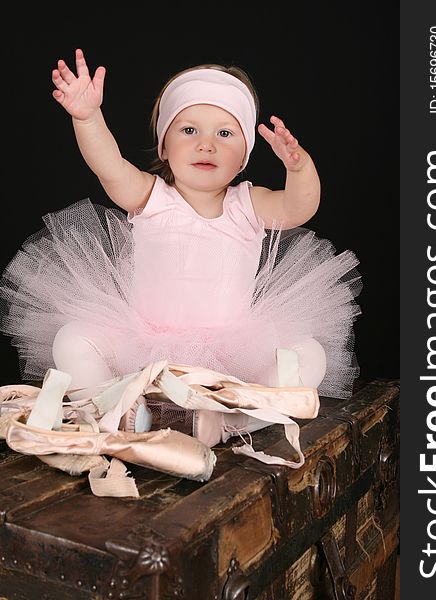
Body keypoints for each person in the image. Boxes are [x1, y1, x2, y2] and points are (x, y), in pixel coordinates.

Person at [0, 49, 361, 415]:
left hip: (235, 353)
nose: (207, 144)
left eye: (225, 133)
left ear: (243, 157)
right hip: (142, 347)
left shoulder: (249, 204)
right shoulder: (150, 196)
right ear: (165, 146)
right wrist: (89, 118)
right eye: (189, 130)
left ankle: (234, 421)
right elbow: (108, 166)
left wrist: (299, 169)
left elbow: (300, 208)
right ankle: (121, 411)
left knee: (307, 354)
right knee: (73, 339)